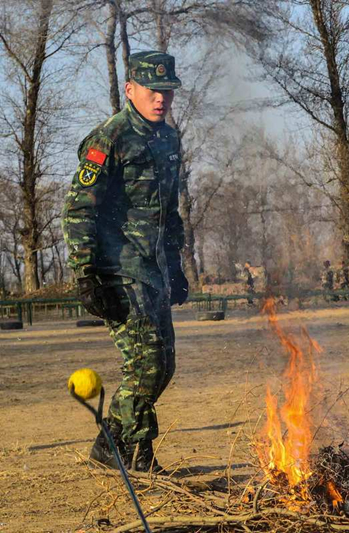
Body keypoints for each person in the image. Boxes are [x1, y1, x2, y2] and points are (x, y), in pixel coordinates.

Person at [62, 51, 185, 473]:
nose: (161, 99)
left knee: (163, 366)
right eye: (153, 91)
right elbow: (78, 211)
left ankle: (108, 444)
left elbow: (170, 211)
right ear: (130, 89)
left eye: (167, 92)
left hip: (155, 271)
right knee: (146, 365)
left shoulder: (169, 140)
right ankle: (137, 456)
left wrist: (177, 264)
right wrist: (88, 275)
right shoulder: (108, 139)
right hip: (118, 268)